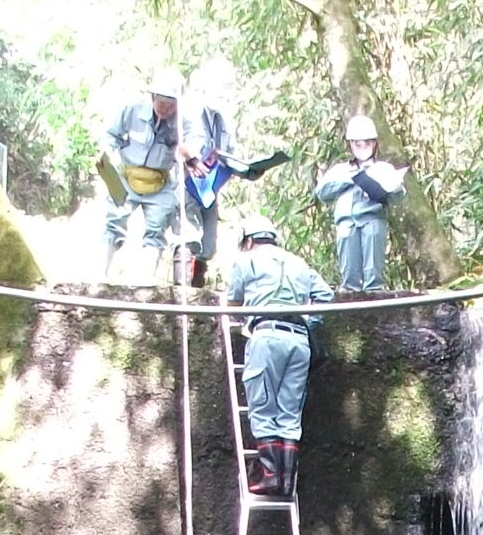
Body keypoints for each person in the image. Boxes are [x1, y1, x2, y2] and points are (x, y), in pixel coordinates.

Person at [223, 217, 334, 498]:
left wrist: (244, 316)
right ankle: (286, 481)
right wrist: (310, 322)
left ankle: (271, 476)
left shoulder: (245, 260)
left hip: (268, 334)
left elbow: (234, 300)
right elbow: (325, 295)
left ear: (248, 241)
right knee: (289, 411)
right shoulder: (298, 262)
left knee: (262, 406)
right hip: (299, 340)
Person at [99, 68, 231, 286]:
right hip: (127, 175)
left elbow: (195, 138)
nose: (165, 108)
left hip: (160, 182)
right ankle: (100, 274)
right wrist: (107, 155)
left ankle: (144, 281)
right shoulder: (131, 109)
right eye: (161, 102)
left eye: (171, 104)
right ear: (152, 98)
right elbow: (109, 135)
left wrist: (189, 152)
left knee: (156, 229)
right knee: (114, 221)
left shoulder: (185, 119)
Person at [313, 113, 407, 294]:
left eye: (367, 143)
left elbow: (396, 196)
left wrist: (392, 187)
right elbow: (323, 193)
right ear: (351, 145)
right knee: (348, 261)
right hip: (346, 222)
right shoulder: (341, 170)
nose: (363, 147)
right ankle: (350, 292)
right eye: (358, 144)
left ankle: (375, 290)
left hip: (372, 218)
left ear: (374, 144)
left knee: (373, 261)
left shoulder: (382, 168)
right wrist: (350, 178)